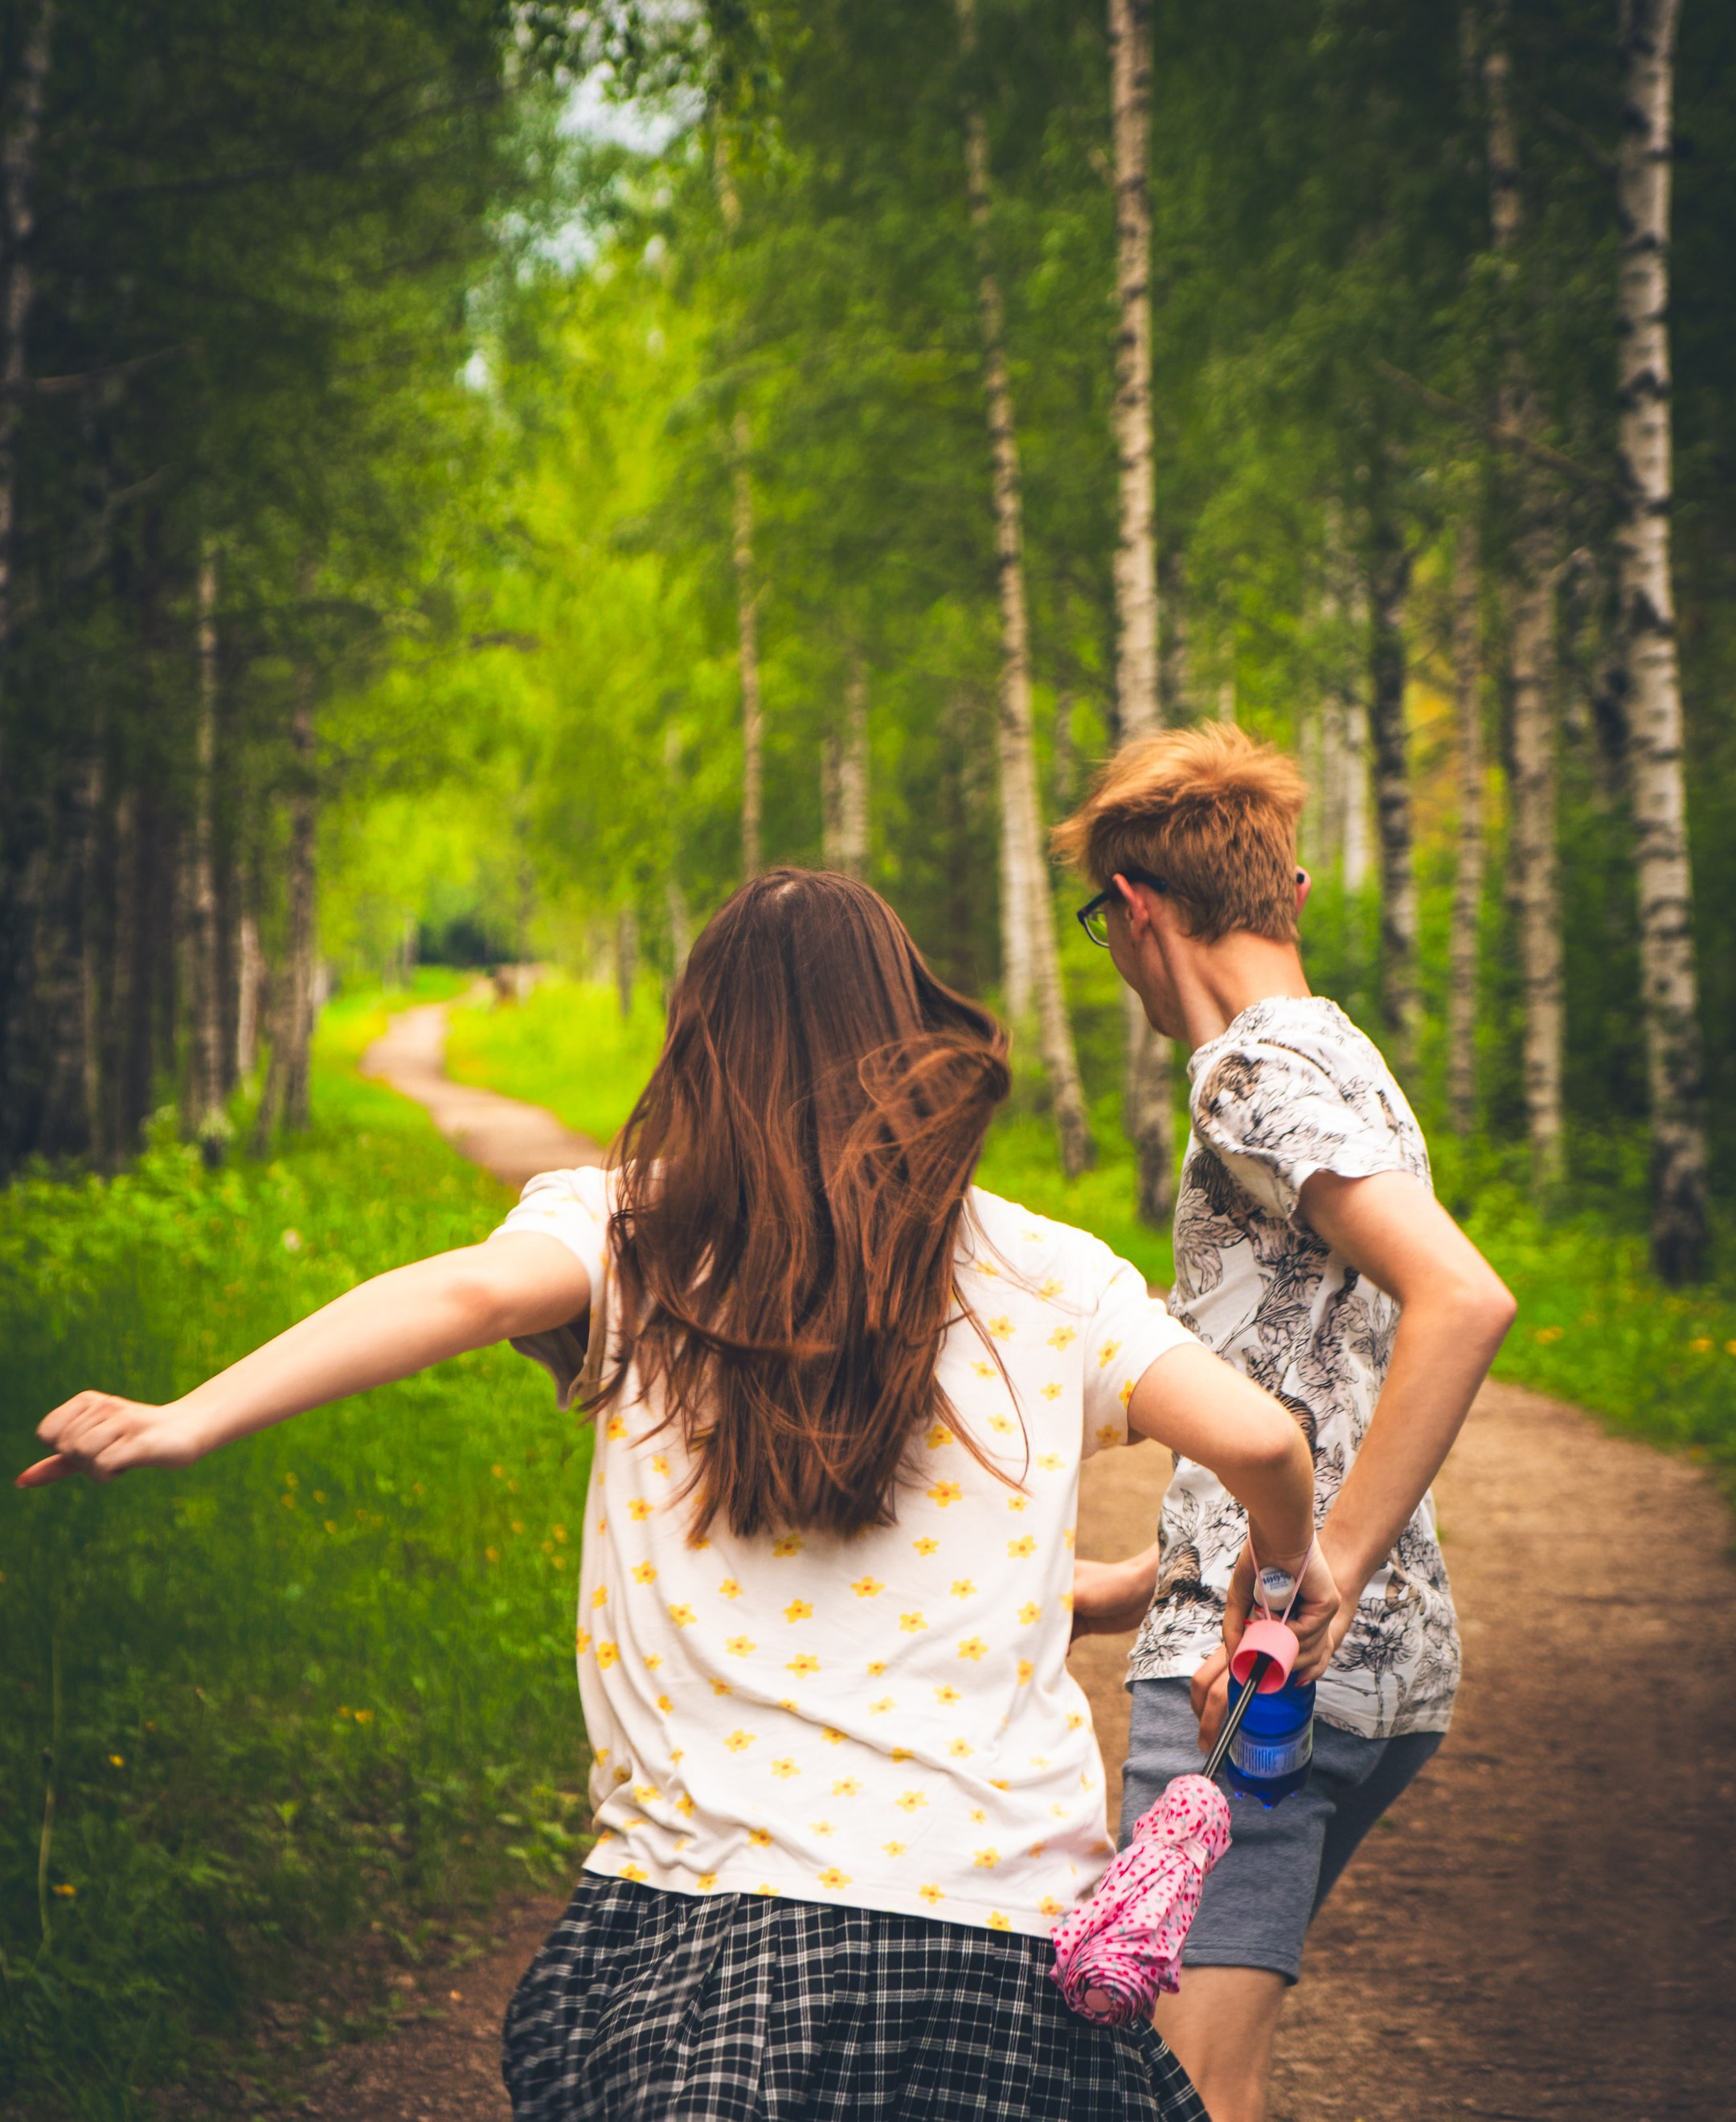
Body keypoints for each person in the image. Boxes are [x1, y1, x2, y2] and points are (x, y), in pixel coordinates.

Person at [22, 869, 1337, 2122]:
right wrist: (1277, 1579)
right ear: (905, 1027)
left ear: (703, 1044)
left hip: (704, 1930)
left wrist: (188, 1418)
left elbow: (464, 1295)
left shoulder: (629, 1233)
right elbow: (1266, 1446)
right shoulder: (1049, 1270)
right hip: (999, 1945)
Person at [1057, 726, 1517, 2122]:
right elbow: (1314, 1352)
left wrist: (1331, 1572)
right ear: (1287, 893)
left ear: (1136, 909)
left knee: (1186, 2090)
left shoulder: (1243, 1072)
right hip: (1375, 1677)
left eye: (1099, 925)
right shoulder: (1341, 1055)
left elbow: (1457, 1299)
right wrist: (1147, 1580)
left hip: (1259, 1679)